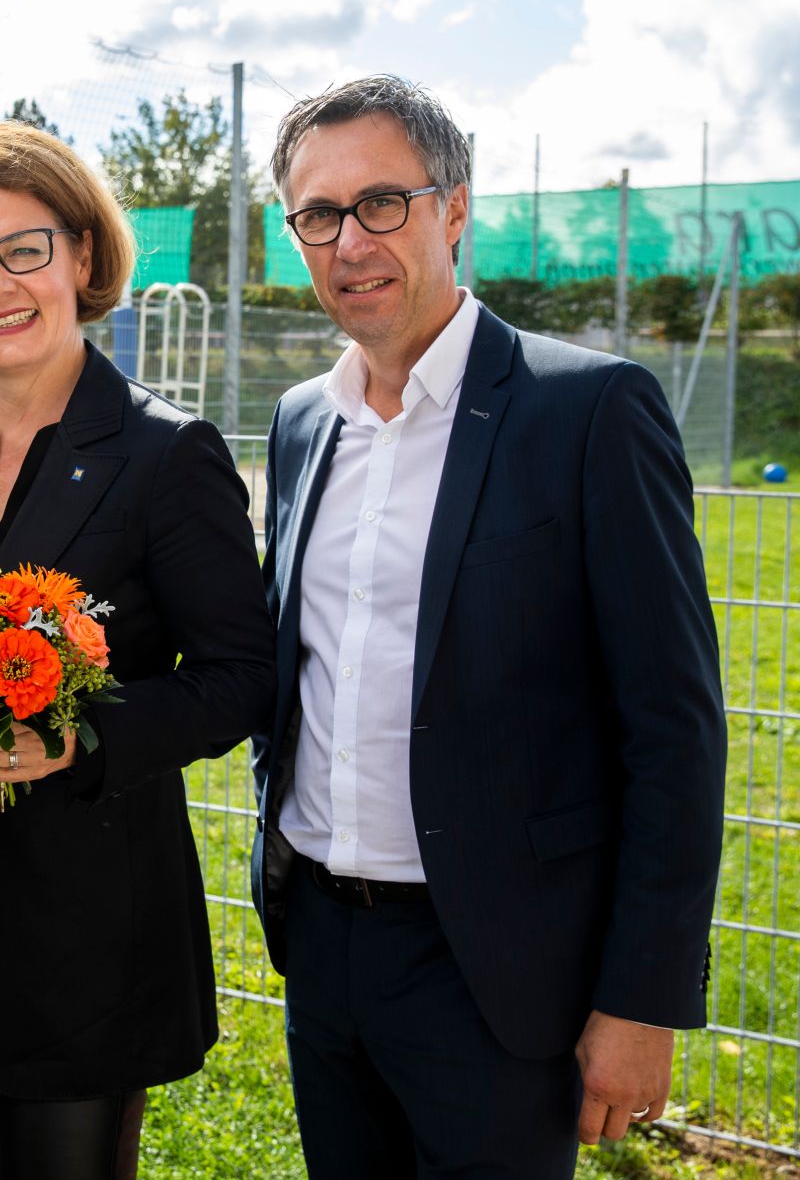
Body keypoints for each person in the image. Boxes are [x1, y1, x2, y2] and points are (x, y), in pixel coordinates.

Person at [250, 74, 727, 1177]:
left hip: (503, 973)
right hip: (322, 950)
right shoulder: (298, 422)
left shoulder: (587, 410)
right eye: (315, 216)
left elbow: (673, 729)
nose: (348, 241)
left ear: (452, 209)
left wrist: (638, 1000)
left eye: (380, 203)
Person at [0, 121, 275, 1179]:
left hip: (84, 943)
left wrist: (77, 739)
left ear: (82, 255)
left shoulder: (163, 452)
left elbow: (241, 678)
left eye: (22, 248)